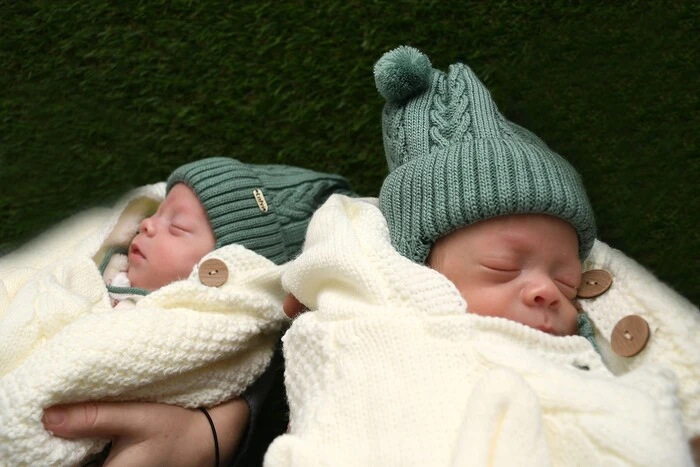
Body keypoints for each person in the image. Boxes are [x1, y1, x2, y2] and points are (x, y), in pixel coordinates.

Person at [267, 47, 698, 465]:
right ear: (418, 270)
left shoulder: (584, 354)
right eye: (503, 268)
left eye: (568, 282)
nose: (548, 290)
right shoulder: (389, 326)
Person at [0, 156, 353, 466]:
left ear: (223, 269)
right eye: (156, 213)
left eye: (177, 226)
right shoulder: (106, 267)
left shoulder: (200, 323)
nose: (147, 224)